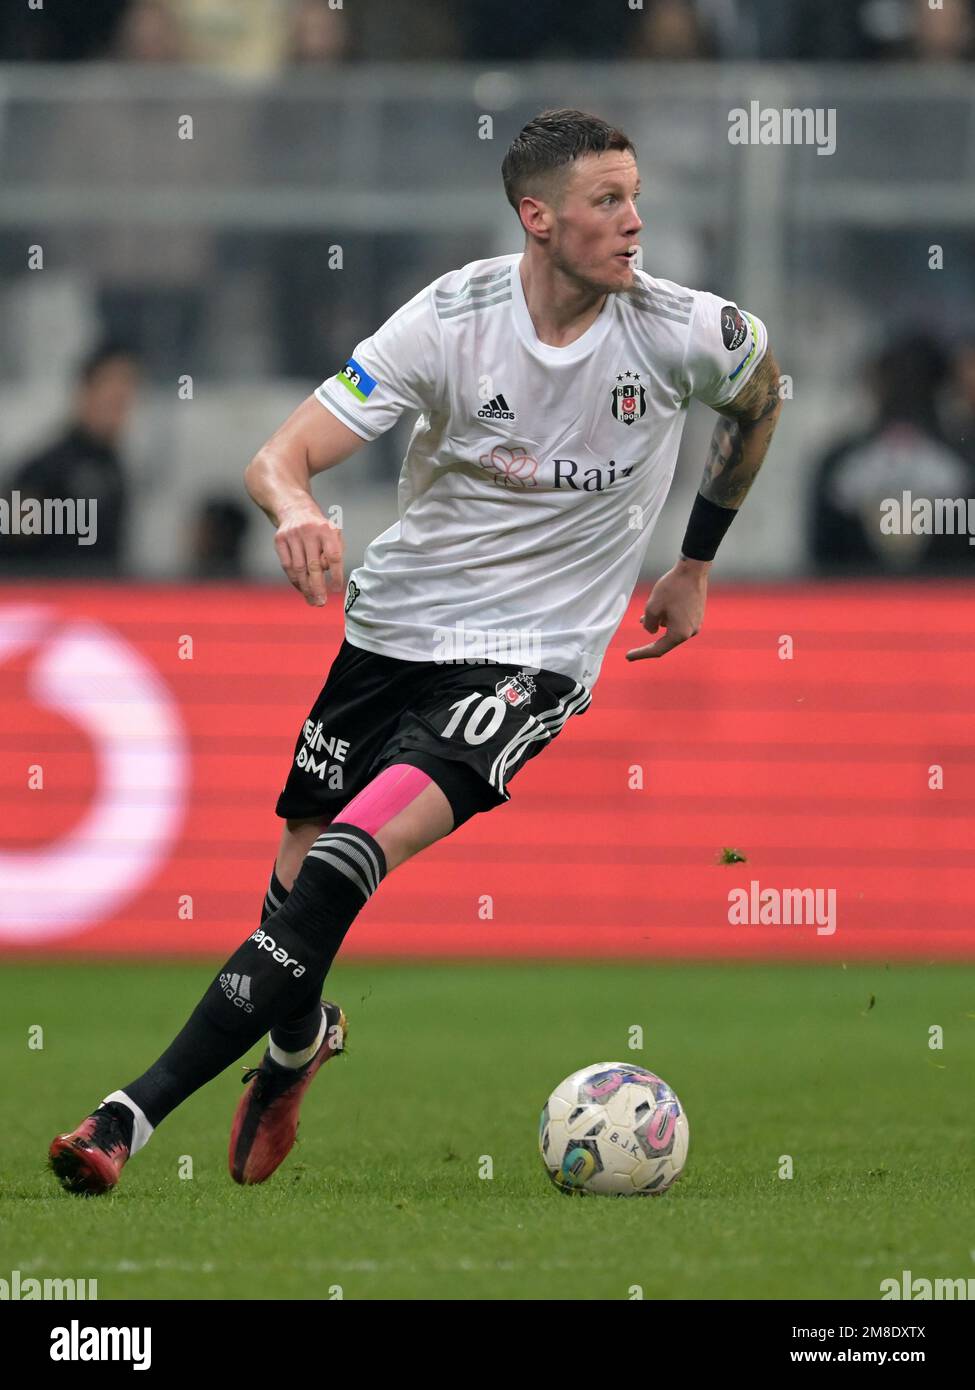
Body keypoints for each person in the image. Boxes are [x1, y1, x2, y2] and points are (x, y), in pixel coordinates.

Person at [48, 108, 782, 1195]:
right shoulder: (452, 320)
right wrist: (295, 506)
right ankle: (297, 1044)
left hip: (531, 661)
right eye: (607, 203)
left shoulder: (685, 330)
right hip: (390, 634)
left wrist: (697, 561)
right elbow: (279, 454)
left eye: (636, 199)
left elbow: (758, 402)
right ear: (538, 217)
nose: (636, 224)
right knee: (292, 906)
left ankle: (127, 1116)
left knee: (348, 856)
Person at [3, 342, 139, 577]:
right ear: (85, 392)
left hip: (100, 601)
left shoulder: (114, 468)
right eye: (111, 393)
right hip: (55, 601)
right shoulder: (46, 470)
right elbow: (12, 548)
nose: (119, 400)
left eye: (124, 398)